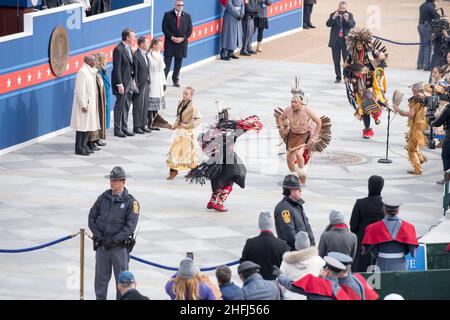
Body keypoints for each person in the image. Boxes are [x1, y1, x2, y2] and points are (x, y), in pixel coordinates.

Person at [185, 105, 263, 212]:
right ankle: (219, 202)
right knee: (231, 179)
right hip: (228, 159)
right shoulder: (230, 131)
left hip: (216, 160)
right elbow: (245, 126)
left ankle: (212, 201)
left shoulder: (213, 130)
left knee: (217, 180)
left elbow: (202, 140)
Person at [88, 166, 140, 300]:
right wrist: (99, 236)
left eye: (115, 180)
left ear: (123, 182)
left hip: (119, 248)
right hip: (102, 246)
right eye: (111, 180)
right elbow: (91, 218)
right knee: (100, 279)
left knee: (122, 281)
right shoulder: (103, 197)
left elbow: (130, 227)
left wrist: (115, 240)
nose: (111, 183)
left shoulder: (131, 203)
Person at [274, 77, 330, 185]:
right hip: (292, 135)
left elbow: (319, 122)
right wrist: (282, 128)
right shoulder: (288, 110)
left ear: (300, 102)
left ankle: (302, 177)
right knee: (289, 156)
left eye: (295, 102)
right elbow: (280, 118)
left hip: (304, 135)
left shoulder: (306, 111)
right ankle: (293, 176)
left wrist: (314, 136)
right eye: (292, 101)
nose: (293, 104)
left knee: (299, 155)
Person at [344, 27, 389, 139]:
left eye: (360, 43)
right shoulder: (351, 54)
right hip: (357, 83)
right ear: (354, 44)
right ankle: (367, 129)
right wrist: (346, 76)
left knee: (368, 103)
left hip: (370, 82)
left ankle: (375, 113)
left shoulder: (371, 52)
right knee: (363, 108)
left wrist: (378, 71)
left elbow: (383, 59)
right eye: (357, 43)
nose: (359, 45)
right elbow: (346, 66)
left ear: (364, 43)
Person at [362, 198, 419, 272]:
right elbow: (412, 252)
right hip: (400, 264)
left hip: (381, 264)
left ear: (384, 209)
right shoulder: (409, 227)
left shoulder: (372, 228)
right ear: (398, 210)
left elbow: (370, 249)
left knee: (382, 283)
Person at [240, 212, 290, 280]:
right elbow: (288, 266)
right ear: (271, 225)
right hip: (276, 283)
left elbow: (243, 263)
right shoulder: (282, 244)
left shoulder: (250, 243)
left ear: (259, 225)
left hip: (255, 282)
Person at [350, 175, 385, 273]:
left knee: (361, 270)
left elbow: (353, 226)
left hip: (363, 241)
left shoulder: (360, 203)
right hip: (381, 241)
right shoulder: (385, 204)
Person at [274, 256, 350, 300]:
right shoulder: (341, 290)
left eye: (323, 269)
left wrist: (281, 276)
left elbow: (292, 286)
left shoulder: (316, 283)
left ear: (327, 272)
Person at [393, 83, 428, 175]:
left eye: (413, 90)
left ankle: (418, 169)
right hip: (423, 125)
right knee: (413, 143)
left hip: (416, 127)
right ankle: (420, 158)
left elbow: (411, 114)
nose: (412, 92)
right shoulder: (426, 97)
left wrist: (399, 110)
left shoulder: (416, 99)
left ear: (415, 91)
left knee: (411, 149)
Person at [166, 87, 201, 180]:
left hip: (187, 132)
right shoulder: (180, 103)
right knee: (175, 151)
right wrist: (175, 125)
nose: (184, 95)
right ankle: (173, 171)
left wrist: (188, 125)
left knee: (188, 153)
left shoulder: (193, 106)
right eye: (184, 93)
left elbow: (198, 119)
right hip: (179, 130)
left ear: (191, 96)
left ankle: (193, 171)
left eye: (186, 94)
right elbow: (178, 116)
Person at [279, 231, 325, 300]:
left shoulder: (286, 262)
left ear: (296, 244)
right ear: (308, 244)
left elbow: (281, 283)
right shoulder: (319, 261)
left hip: (290, 297)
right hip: (311, 296)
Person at [274, 175, 315, 250]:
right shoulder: (284, 209)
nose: (300, 191)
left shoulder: (297, 205)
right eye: (297, 189)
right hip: (293, 252)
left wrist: (311, 244)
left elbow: (307, 226)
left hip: (303, 249)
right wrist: (303, 247)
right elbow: (289, 234)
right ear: (290, 190)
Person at [70, 55, 100, 156]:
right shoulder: (82, 72)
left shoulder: (91, 71)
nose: (95, 62)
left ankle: (84, 146)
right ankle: (79, 148)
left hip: (91, 104)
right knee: (82, 127)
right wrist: (83, 104)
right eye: (94, 60)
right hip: (84, 105)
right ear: (88, 62)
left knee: (88, 126)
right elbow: (80, 90)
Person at [112, 28, 136, 138]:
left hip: (129, 81)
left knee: (126, 105)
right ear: (127, 38)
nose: (134, 38)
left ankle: (124, 127)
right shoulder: (118, 49)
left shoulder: (129, 48)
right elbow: (116, 68)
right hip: (122, 83)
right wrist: (119, 84)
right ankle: (117, 129)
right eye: (132, 37)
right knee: (120, 106)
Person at [162, 0, 193, 87]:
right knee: (167, 63)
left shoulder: (187, 16)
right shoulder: (167, 15)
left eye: (182, 5)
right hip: (170, 43)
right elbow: (164, 28)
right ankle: (163, 80)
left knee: (178, 64)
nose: (180, 7)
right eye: (179, 5)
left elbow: (189, 30)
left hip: (181, 44)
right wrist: (172, 37)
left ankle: (175, 80)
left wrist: (182, 38)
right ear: (175, 5)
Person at [326, 1, 356, 83]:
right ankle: (338, 77)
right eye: (341, 8)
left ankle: (346, 76)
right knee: (336, 60)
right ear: (338, 7)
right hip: (335, 41)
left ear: (346, 8)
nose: (342, 10)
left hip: (345, 41)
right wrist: (333, 17)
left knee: (346, 60)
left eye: (344, 8)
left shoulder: (350, 15)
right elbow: (328, 24)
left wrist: (347, 19)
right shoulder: (333, 14)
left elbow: (352, 25)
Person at [87, 56, 108, 152]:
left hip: (99, 100)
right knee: (92, 124)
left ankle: (95, 140)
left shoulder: (97, 72)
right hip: (93, 101)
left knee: (97, 122)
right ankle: (90, 142)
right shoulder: (89, 73)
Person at [132, 37, 152, 134]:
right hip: (139, 83)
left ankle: (143, 124)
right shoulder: (136, 55)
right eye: (147, 43)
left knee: (145, 105)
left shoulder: (146, 55)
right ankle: (137, 126)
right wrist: (135, 82)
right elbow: (134, 71)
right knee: (138, 106)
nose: (149, 44)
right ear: (141, 44)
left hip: (146, 82)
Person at [148, 38, 167, 131]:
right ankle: (150, 123)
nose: (161, 46)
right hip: (153, 82)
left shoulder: (159, 55)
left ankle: (155, 123)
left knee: (156, 106)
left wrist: (164, 82)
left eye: (161, 44)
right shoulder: (150, 55)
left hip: (159, 81)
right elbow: (154, 68)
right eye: (159, 45)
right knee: (151, 105)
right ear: (154, 45)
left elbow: (162, 70)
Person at [431, 98, 450, 184]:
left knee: (446, 156)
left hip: (449, 139)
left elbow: (438, 122)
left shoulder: (448, 109)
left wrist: (431, 122)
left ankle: (447, 179)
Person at [418, 0, 439, 71]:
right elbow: (436, 17)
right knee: (428, 46)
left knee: (422, 45)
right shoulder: (430, 6)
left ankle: (419, 64)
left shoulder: (422, 5)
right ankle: (426, 65)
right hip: (426, 27)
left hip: (420, 25)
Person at [96, 53, 111, 131]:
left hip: (107, 94)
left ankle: (105, 127)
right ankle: (102, 128)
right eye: (105, 59)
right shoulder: (99, 71)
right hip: (103, 94)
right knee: (103, 111)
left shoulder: (104, 69)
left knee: (107, 110)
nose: (106, 61)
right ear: (102, 60)